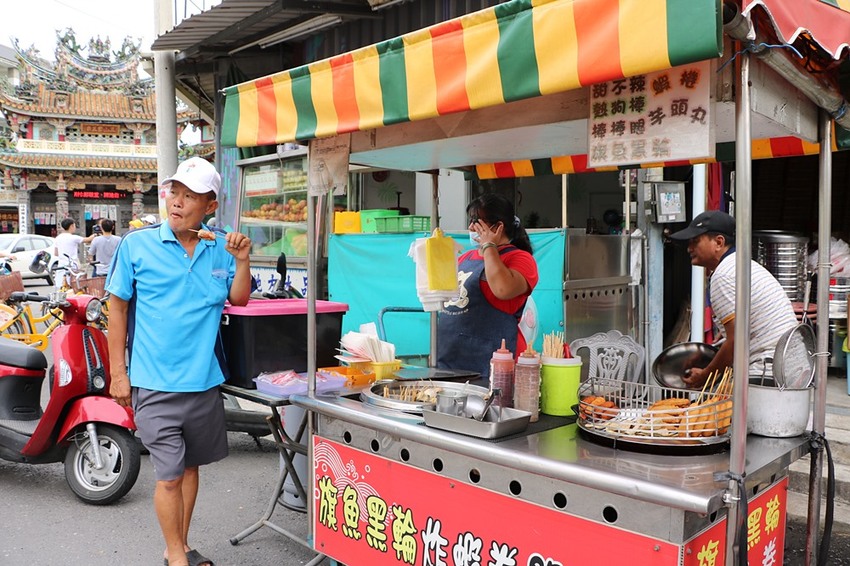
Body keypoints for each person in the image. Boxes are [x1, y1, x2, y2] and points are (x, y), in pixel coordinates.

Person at [106, 157, 252, 566]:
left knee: (190, 470)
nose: (177, 202)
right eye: (174, 192)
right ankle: (175, 555)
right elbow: (116, 309)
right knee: (169, 475)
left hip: (203, 383)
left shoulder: (219, 248)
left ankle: (182, 543)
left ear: (209, 206)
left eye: (190, 196)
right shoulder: (138, 245)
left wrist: (242, 261)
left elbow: (238, 299)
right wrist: (119, 373)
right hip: (154, 384)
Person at [669, 210, 798, 388]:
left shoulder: (724, 275)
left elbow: (736, 341)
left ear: (719, 242)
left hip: (767, 370)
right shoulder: (740, 264)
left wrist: (706, 376)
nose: (689, 248)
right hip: (789, 364)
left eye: (695, 241)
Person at [437, 193, 539, 382]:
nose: (470, 228)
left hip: (492, 368)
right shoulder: (465, 258)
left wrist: (489, 247)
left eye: (476, 222)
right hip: (450, 360)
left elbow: (502, 289)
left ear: (498, 227)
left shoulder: (520, 259)